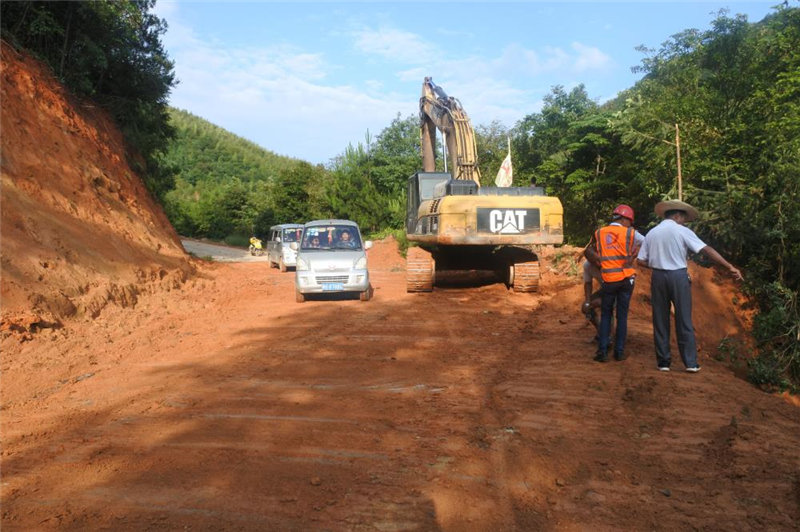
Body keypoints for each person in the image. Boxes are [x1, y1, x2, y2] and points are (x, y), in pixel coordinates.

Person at [637, 199, 743, 373]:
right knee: (683, 318)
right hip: (678, 276)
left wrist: (657, 264)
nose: (684, 222)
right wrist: (729, 266)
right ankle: (690, 363)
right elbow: (706, 249)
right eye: (684, 219)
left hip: (658, 278)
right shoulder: (682, 231)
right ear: (677, 216)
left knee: (660, 319)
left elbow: (640, 260)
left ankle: (663, 362)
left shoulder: (652, 233)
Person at [584, 204, 644, 362]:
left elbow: (589, 250)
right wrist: (635, 254)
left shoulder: (599, 232)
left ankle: (602, 352)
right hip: (627, 279)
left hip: (609, 279)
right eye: (629, 221)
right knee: (622, 317)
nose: (630, 224)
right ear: (624, 219)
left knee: (606, 315)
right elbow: (647, 242)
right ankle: (619, 352)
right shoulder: (631, 233)